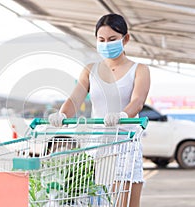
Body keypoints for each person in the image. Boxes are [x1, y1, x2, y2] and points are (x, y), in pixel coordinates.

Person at [48, 13, 150, 207]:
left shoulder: (139, 69)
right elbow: (75, 98)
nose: (106, 44)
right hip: (97, 147)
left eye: (112, 39)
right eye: (101, 40)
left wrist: (122, 116)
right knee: (97, 200)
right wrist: (62, 114)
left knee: (125, 200)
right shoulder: (90, 70)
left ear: (125, 39)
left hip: (125, 145)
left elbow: (138, 100)